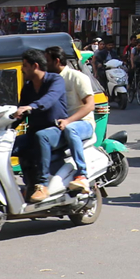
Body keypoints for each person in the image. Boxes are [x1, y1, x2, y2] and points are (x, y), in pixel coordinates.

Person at [13, 49, 69, 203]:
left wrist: (33, 106)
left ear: (35, 66)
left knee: (41, 136)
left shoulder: (55, 80)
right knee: (11, 145)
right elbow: (21, 112)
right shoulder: (28, 87)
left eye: (24, 66)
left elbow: (50, 99)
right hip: (34, 131)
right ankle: (27, 183)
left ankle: (42, 185)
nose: (22, 69)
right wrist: (6, 128)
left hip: (56, 130)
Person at [45, 46, 95, 194]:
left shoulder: (77, 77)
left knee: (70, 129)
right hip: (60, 126)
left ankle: (82, 173)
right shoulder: (49, 80)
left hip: (83, 124)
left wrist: (69, 121)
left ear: (57, 61)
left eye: (47, 61)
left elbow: (90, 105)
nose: (45, 64)